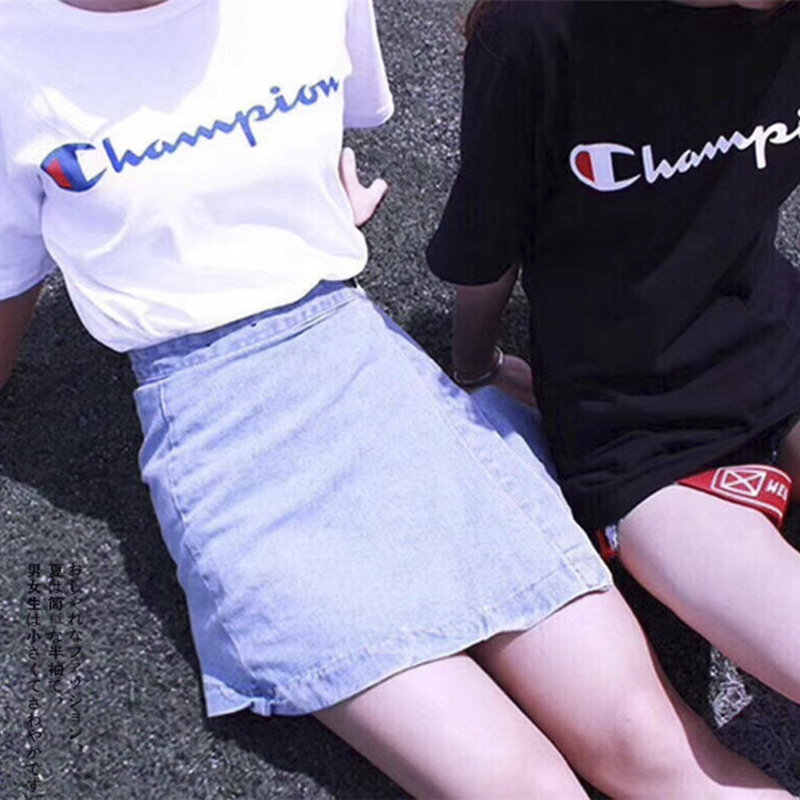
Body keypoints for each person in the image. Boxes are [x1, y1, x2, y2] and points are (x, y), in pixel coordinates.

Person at [0, 0, 788, 796]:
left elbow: (301, 124)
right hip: (223, 436)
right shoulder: (15, 55)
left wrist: (296, 216)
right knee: (521, 786)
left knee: (647, 742)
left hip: (371, 368)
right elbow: (9, 277)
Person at [428, 0, 800, 712]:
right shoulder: (537, 30)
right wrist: (475, 365)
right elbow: (486, 242)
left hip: (774, 337)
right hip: (635, 432)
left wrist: (480, 362)